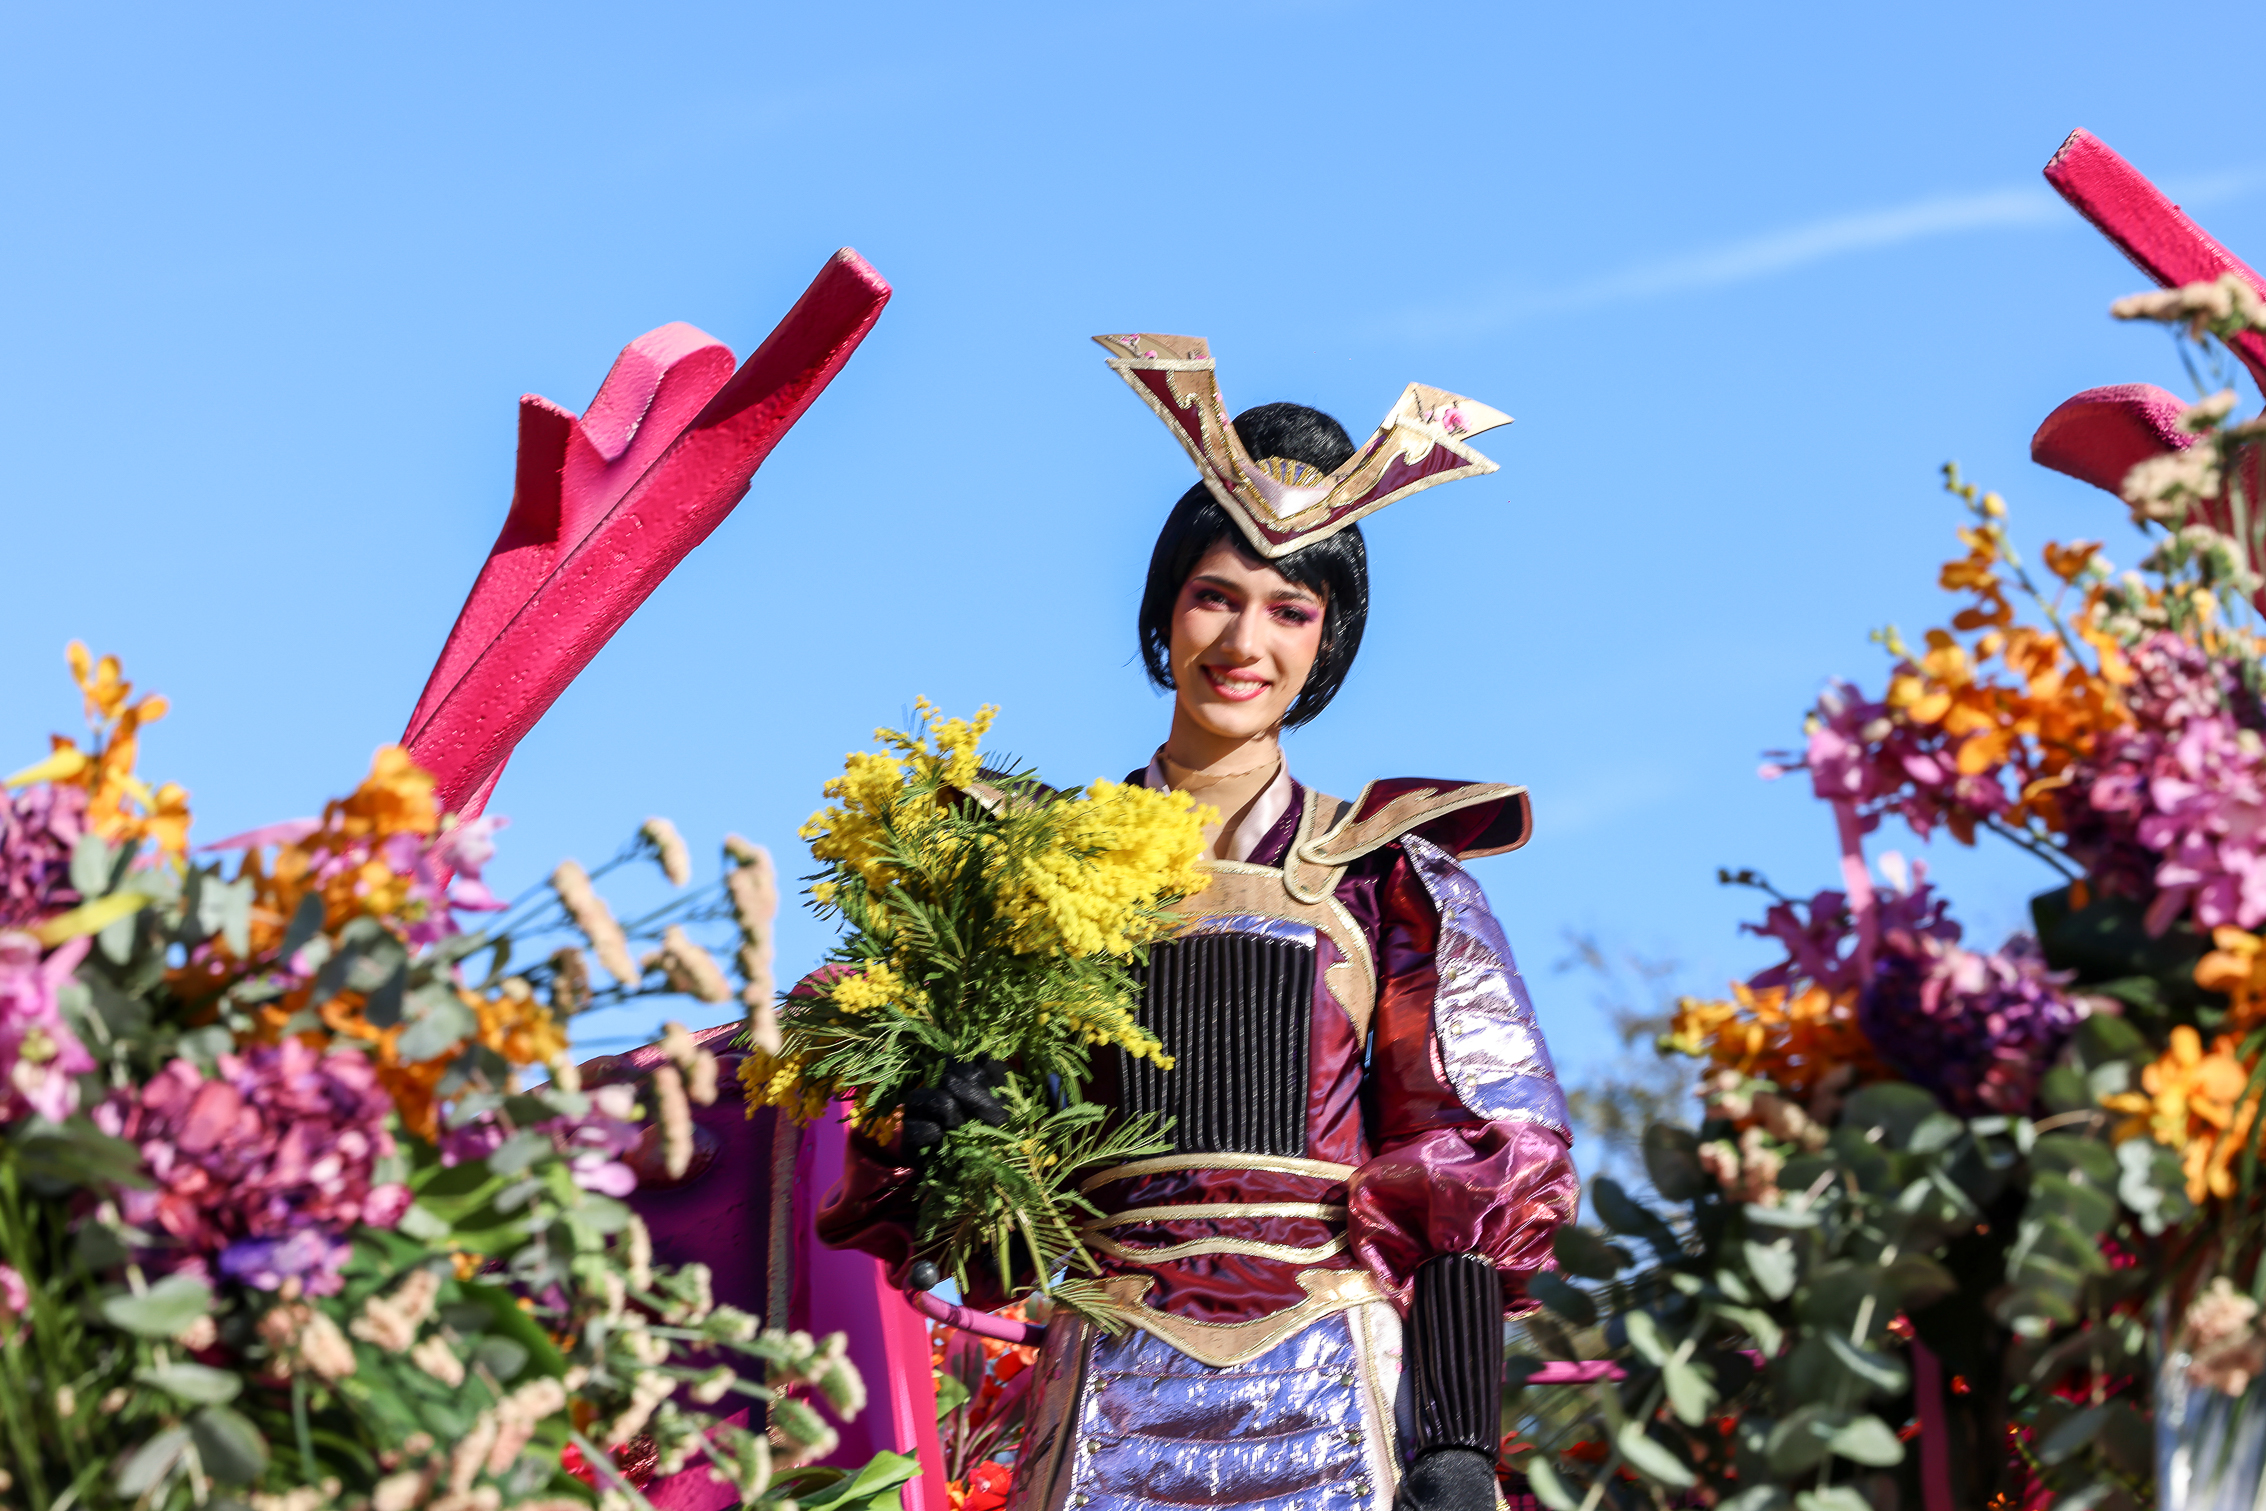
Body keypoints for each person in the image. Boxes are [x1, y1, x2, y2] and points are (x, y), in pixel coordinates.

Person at [819, 334, 1577, 1511]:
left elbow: (1468, 1155)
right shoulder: (1023, 859)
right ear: (1165, 609)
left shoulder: (1387, 873)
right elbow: (990, 1260)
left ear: (1326, 639)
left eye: (1288, 609)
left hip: (1332, 1394)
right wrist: (959, 1146)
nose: (1243, 643)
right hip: (1105, 1387)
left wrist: (1458, 1445)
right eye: (1215, 596)